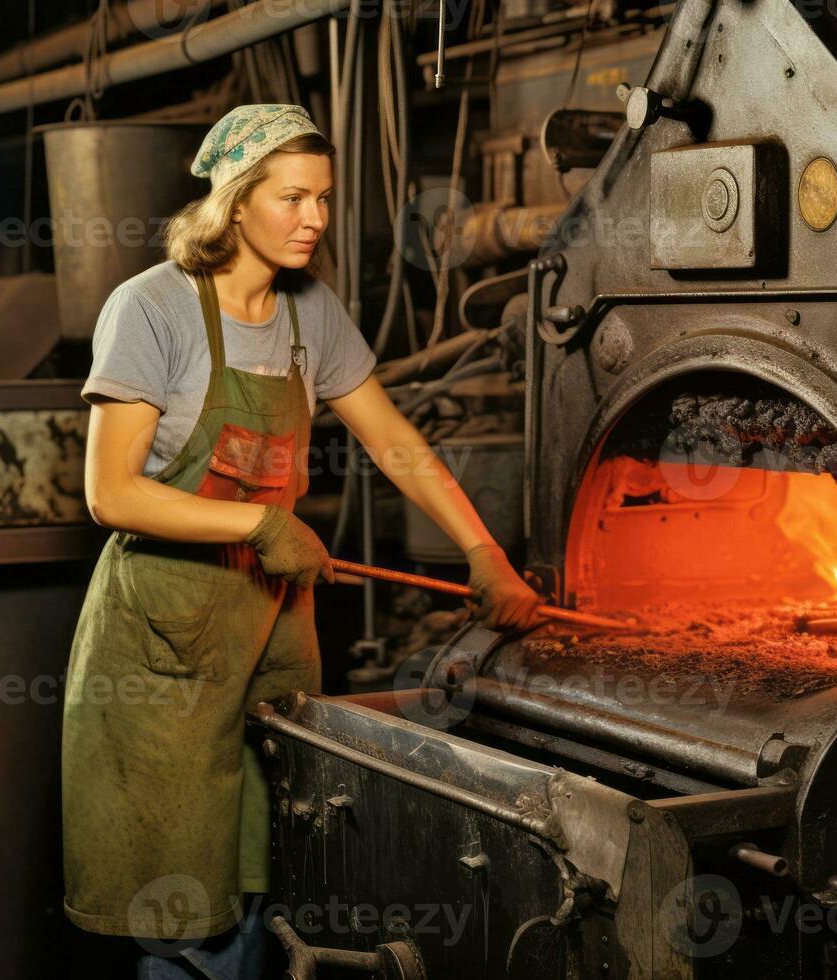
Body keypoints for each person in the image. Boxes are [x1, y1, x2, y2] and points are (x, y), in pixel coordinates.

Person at [60, 103, 541, 979]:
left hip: (272, 624)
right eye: (291, 198)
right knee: (183, 903)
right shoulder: (152, 308)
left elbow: (394, 441)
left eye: (321, 198)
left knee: (271, 865)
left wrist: (483, 552)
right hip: (162, 640)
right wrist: (259, 521)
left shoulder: (307, 312)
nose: (315, 218)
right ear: (236, 202)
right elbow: (110, 494)